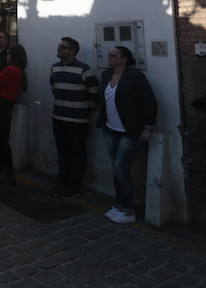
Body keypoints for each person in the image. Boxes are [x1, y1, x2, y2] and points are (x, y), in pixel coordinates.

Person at [97, 46, 157, 224]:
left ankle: (129, 210)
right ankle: (119, 205)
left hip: (130, 131)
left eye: (113, 55)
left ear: (123, 59)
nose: (109, 57)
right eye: (110, 54)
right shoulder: (106, 75)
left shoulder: (135, 77)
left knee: (121, 168)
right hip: (110, 129)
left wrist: (148, 127)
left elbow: (149, 101)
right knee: (116, 169)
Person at [49, 37, 99, 198]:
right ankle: (61, 182)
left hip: (78, 121)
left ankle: (74, 185)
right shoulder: (54, 68)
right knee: (62, 151)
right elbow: (53, 88)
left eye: (63, 47)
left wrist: (84, 111)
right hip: (59, 117)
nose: (59, 49)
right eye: (59, 46)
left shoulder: (84, 70)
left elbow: (94, 93)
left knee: (77, 152)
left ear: (72, 51)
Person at [0, 43, 28, 185]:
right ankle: (2, 167)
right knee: (1, 138)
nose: (7, 55)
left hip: (1, 106)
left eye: (9, 53)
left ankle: (9, 173)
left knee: (2, 140)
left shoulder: (11, 70)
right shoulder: (18, 70)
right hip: (6, 105)